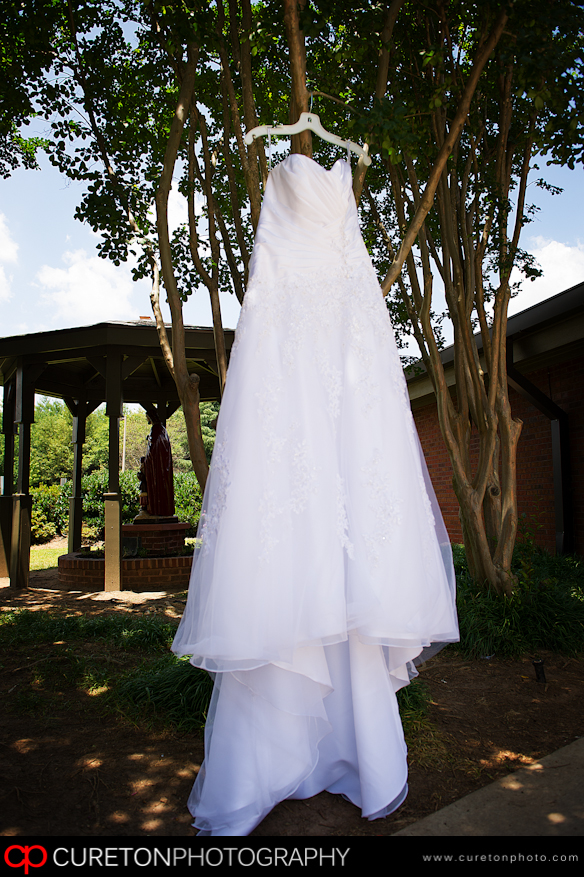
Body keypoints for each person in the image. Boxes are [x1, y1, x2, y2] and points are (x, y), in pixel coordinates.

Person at [173, 152, 459, 836]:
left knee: (349, 543)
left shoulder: (329, 188)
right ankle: (278, 760)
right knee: (292, 540)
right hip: (289, 372)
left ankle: (350, 747)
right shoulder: (290, 181)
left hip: (344, 368)